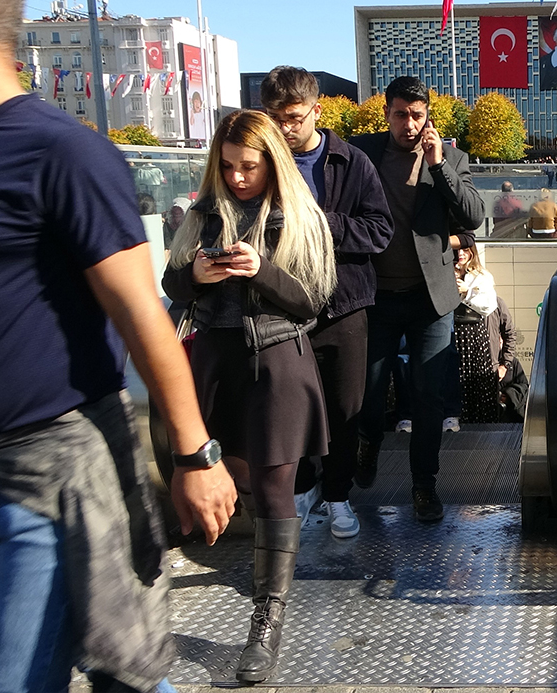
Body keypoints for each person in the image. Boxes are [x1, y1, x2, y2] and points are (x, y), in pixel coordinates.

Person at [0, 2, 237, 692]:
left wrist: (197, 456)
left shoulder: (60, 149)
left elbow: (141, 314)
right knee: (121, 673)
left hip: (50, 489)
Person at [162, 109, 335, 684]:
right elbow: (171, 283)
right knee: (220, 474)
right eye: (229, 166)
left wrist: (260, 270)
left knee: (271, 486)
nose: (238, 177)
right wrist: (198, 277)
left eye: (250, 167)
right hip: (217, 362)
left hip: (279, 363)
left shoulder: (298, 214)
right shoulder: (202, 214)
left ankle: (267, 619)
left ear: (272, 164)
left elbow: (313, 300)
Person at [259, 66, 394, 540]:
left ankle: (337, 496)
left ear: (317, 110)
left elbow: (380, 231)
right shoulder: (260, 162)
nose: (284, 128)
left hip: (343, 308)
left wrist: (324, 224)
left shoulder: (352, 162)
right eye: (275, 118)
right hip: (279, 311)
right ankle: (301, 489)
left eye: (294, 117)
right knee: (287, 410)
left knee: (343, 409)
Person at [350, 76, 484, 523]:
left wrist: (439, 164)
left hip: (430, 301)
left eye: (417, 115)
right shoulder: (362, 153)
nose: (409, 124)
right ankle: (368, 443)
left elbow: (473, 217)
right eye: (400, 114)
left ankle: (424, 486)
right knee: (367, 392)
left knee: (428, 399)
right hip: (375, 298)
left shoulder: (451, 157)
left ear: (429, 116)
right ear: (386, 113)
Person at [448, 247, 517, 424]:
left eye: (464, 250)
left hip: (474, 334)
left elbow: (488, 306)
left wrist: (467, 291)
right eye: (456, 251)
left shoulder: (482, 276)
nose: (460, 255)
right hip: (452, 333)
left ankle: (482, 426)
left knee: (479, 386)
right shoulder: (445, 271)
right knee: (454, 381)